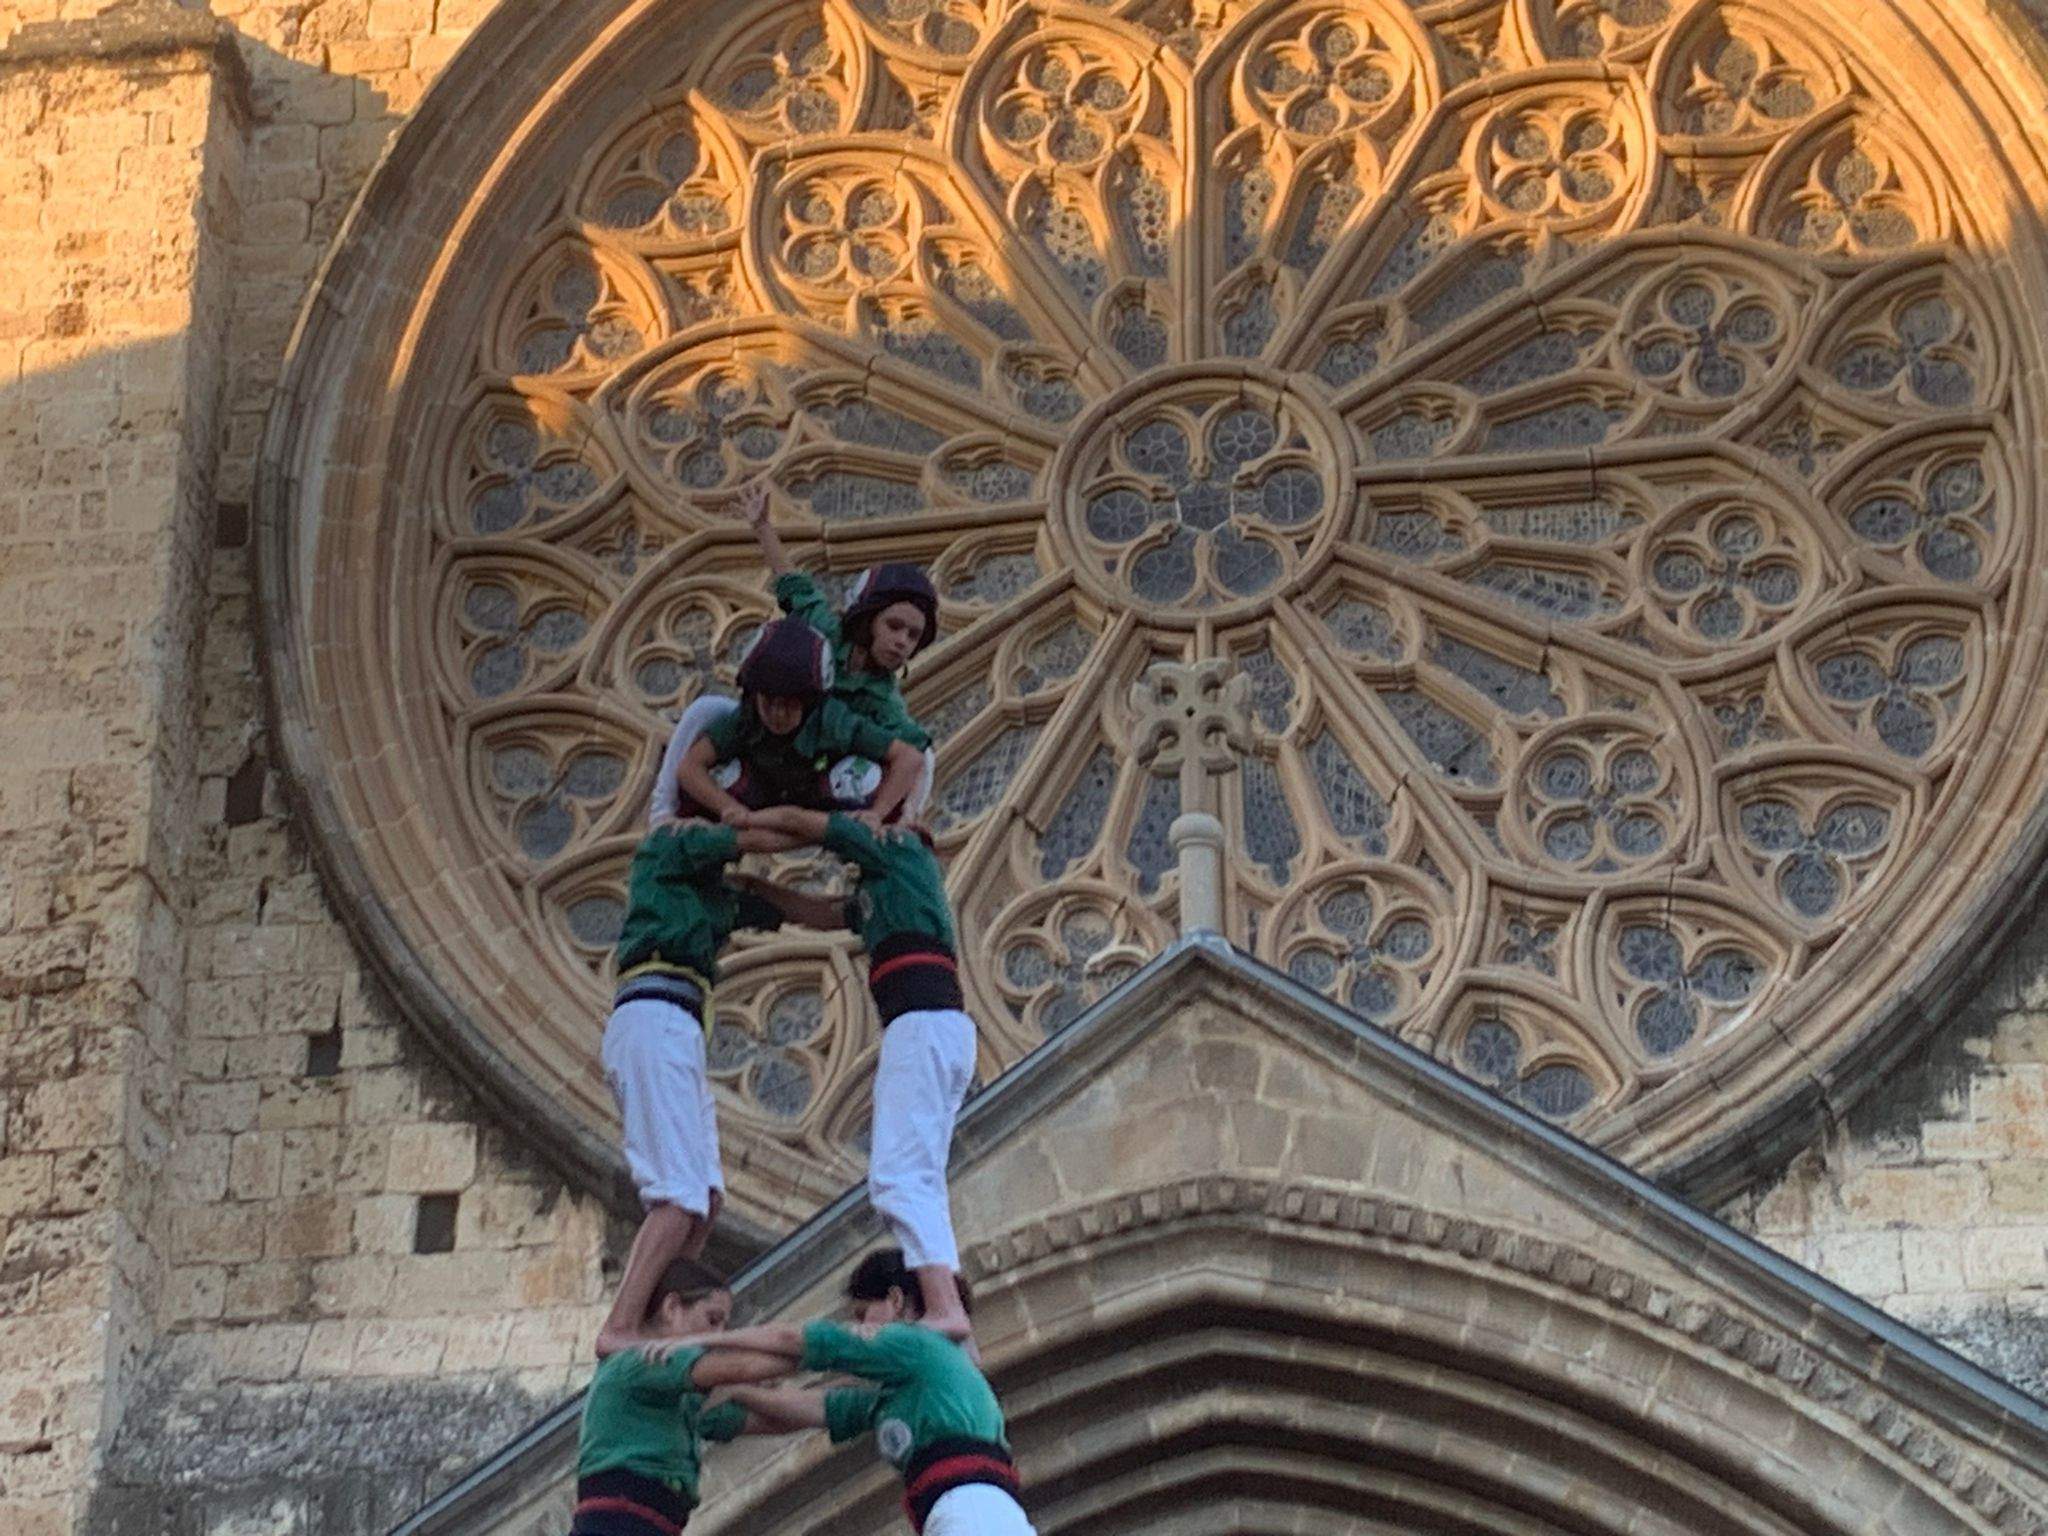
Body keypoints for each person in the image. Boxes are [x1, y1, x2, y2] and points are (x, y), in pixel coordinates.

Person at [727, 805, 974, 1338]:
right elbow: (823, 914)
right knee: (919, 1183)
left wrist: (736, 827)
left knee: (896, 1182)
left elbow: (813, 823)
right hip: (932, 1028)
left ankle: (945, 1308)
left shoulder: (900, 852)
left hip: (922, 1024)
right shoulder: (884, 891)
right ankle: (949, 1308)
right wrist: (758, 891)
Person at [596, 814, 802, 1358]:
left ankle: (664, 1320)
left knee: (705, 1202)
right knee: (678, 1199)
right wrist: (842, 827)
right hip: (652, 1014)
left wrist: (860, 910)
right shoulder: (670, 844)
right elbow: (753, 832)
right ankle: (622, 1326)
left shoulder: (715, 898)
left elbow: (793, 909)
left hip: (680, 1029)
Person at [661, 1249, 1032, 1536]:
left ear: (895, 1301)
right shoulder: (906, 1392)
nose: (859, 1326)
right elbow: (815, 1408)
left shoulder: (913, 1344)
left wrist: (705, 1340)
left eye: (862, 1312)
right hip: (972, 1512)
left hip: (973, 1512)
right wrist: (739, 1392)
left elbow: (795, 1339)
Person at [649, 481, 940, 825]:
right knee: (706, 709)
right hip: (764, 753)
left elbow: (916, 758)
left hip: (817, 776)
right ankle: (661, 813)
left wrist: (902, 816)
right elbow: (793, 586)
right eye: (894, 627)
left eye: (913, 636)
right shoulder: (824, 632)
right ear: (867, 618)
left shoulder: (884, 704)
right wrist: (762, 527)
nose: (903, 642)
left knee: (920, 757)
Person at [571, 1269, 790, 1536]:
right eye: (712, 1320)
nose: (717, 1335)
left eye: (723, 1326)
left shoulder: (684, 1399)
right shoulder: (643, 1361)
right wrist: (826, 1348)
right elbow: (743, 1367)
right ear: (672, 1307)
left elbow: (778, 1419)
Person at [672, 615, 926, 829]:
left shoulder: (833, 720)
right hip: (756, 803)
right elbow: (689, 768)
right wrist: (727, 807)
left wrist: (877, 813)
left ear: (811, 702)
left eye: (790, 704)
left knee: (869, 778)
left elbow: (909, 758)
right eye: (768, 701)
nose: (777, 714)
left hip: (822, 805)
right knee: (716, 781)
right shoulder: (746, 717)